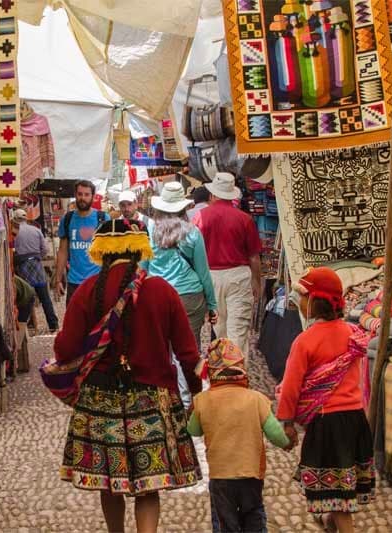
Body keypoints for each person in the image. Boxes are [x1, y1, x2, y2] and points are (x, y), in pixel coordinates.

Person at [55, 219, 202, 533]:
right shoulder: (161, 290)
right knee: (148, 487)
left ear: (102, 253)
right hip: (152, 398)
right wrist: (196, 392)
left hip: (99, 402)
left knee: (110, 483)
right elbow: (188, 353)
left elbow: (65, 349)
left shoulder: (87, 291)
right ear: (139, 251)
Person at [277, 267, 375, 533]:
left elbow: (291, 387)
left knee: (339, 495)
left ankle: (343, 527)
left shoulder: (305, 341)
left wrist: (286, 423)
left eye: (304, 297)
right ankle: (330, 522)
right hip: (355, 419)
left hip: (327, 424)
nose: (302, 302)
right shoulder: (352, 334)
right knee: (341, 484)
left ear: (315, 301)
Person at [188, 338, 291, 533]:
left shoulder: (203, 401)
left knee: (225, 520)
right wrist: (287, 443)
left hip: (220, 476)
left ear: (211, 372)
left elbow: (194, 430)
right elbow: (275, 434)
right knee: (253, 514)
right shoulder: (256, 399)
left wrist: (193, 410)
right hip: (250, 474)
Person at [144, 181, 217, 407]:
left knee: (160, 349)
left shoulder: (150, 231)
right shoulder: (193, 233)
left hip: (158, 296)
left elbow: (144, 267)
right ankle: (188, 403)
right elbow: (203, 272)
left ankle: (166, 399)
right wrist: (212, 304)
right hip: (190, 297)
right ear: (183, 208)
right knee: (188, 351)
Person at [198, 172, 262, 358]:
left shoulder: (200, 217)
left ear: (212, 194)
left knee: (220, 332)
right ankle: (239, 378)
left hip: (211, 278)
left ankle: (224, 377)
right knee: (238, 334)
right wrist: (256, 282)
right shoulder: (244, 219)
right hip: (238, 277)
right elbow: (254, 257)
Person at [55, 180, 110, 305]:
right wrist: (58, 280)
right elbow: (63, 251)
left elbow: (110, 252)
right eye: (80, 194)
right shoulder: (67, 219)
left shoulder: (102, 219)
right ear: (75, 195)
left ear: (93, 196)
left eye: (86, 194)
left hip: (97, 281)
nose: (82, 198)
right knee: (74, 321)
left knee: (97, 322)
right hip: (74, 282)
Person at [11, 209, 59, 332]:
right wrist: (37, 257)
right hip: (36, 265)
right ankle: (53, 324)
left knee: (26, 297)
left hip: (22, 267)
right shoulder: (36, 230)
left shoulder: (14, 232)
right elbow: (45, 249)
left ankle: (26, 325)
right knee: (45, 298)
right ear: (26, 218)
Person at [13, 275, 36, 372]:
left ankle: (17, 362)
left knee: (20, 329)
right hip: (24, 296)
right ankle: (19, 362)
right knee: (19, 328)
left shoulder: (8, 280)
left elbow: (14, 297)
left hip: (25, 299)